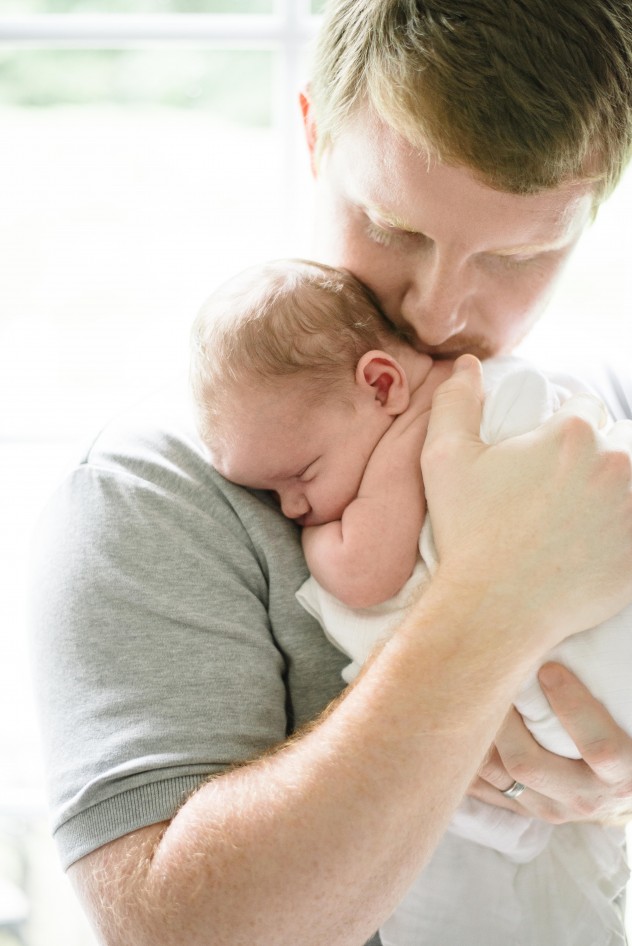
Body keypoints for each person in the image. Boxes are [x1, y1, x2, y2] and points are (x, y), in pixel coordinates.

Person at [29, 2, 632, 945]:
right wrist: (499, 598)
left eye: (518, 255)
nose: (437, 314)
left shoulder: (603, 424)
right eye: (394, 228)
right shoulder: (150, 495)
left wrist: (611, 795)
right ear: (314, 135)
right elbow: (181, 935)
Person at [190, 256, 632, 944]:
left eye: (299, 476)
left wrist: (318, 546)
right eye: (273, 498)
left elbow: (364, 573)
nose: (294, 506)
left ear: (382, 383)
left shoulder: (418, 437)